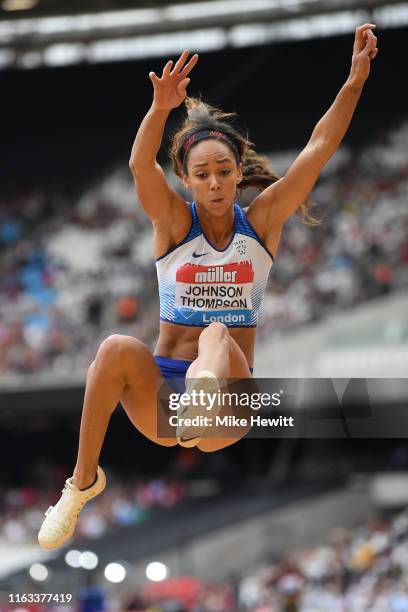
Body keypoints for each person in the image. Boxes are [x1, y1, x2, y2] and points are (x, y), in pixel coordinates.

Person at [38, 24, 378, 549]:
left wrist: (354, 81)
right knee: (114, 348)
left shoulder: (261, 224)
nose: (216, 183)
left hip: (229, 404)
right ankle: (81, 484)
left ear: (238, 173)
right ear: (188, 179)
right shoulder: (174, 225)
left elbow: (319, 147)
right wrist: (159, 108)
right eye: (204, 174)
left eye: (224, 171)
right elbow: (138, 165)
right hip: (166, 405)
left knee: (217, 330)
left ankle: (203, 395)